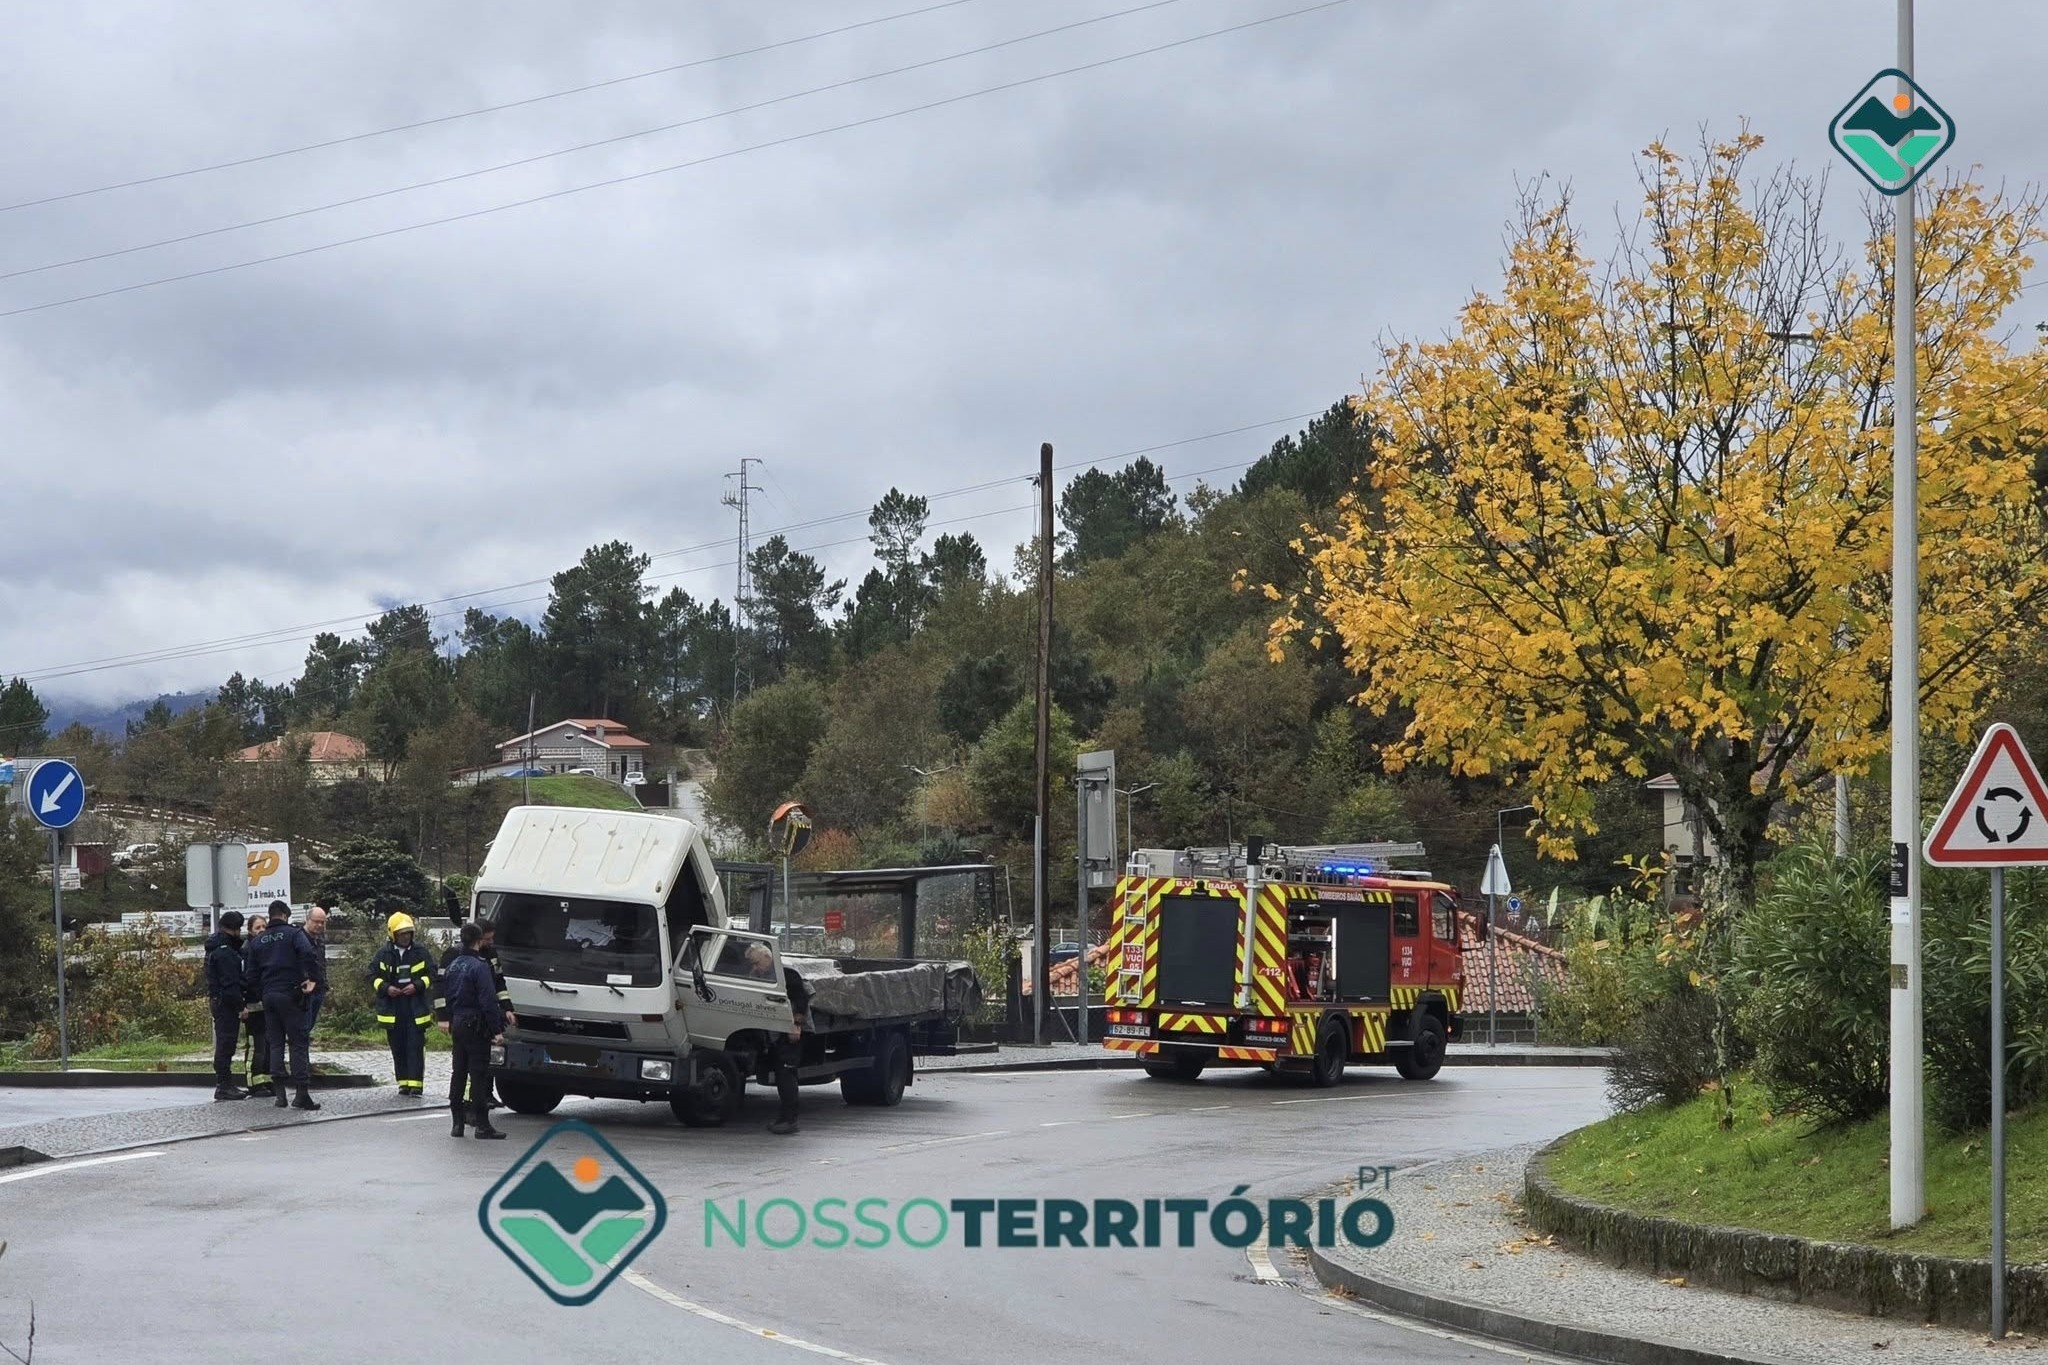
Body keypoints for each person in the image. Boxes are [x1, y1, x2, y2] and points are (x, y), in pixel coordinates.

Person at [246, 900, 323, 1111]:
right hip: (292, 994)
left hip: (269, 997)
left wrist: (263, 992)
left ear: (270, 916)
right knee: (298, 1043)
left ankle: (280, 1096)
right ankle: (301, 1094)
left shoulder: (258, 941)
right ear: (286, 915)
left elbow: (250, 975)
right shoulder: (294, 934)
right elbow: (308, 954)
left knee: (275, 1044)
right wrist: (314, 980)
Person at [435, 921, 514, 1116]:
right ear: (478, 939)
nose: (491, 942)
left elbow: (499, 982)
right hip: (473, 1019)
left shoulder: (485, 956)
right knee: (475, 1069)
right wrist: (443, 1016)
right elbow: (441, 986)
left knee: (464, 1069)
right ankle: (478, 1117)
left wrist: (507, 1008)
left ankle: (462, 1116)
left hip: (464, 1019)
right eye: (487, 939)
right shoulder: (466, 960)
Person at [744, 943, 812, 1136]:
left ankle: (790, 1120)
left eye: (757, 963)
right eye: (752, 964)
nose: (755, 967)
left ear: (768, 957)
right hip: (776, 1032)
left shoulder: (787, 974)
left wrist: (796, 1025)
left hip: (792, 1031)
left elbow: (801, 1000)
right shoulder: (760, 975)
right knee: (782, 1075)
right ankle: (784, 1118)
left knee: (786, 1074)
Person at [370, 912, 438, 1097]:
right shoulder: (383, 954)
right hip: (393, 1008)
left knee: (415, 1046)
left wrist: (417, 985)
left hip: (415, 1006)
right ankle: (403, 1083)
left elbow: (432, 974)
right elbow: (371, 976)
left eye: (408, 933)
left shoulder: (420, 952)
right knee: (398, 1047)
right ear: (393, 934)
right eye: (402, 934)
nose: (406, 937)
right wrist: (386, 988)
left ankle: (416, 1085)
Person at [203, 911, 249, 1101]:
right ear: (235, 929)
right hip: (226, 1004)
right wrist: (241, 1007)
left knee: (225, 1043)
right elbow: (230, 984)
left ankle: (225, 1084)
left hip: (219, 1001)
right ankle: (224, 1085)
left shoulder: (216, 947)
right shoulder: (225, 952)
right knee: (226, 1044)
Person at [240, 924, 272, 1098]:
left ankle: (266, 1081)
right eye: (257, 927)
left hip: (265, 1005)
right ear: (250, 930)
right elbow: (247, 979)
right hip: (253, 1007)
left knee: (266, 1046)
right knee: (255, 1047)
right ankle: (253, 1082)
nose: (261, 930)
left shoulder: (265, 949)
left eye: (264, 926)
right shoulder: (247, 951)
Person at [301, 907, 331, 1036]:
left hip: (319, 989)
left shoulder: (319, 939)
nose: (319, 925)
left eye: (322, 922)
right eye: (316, 921)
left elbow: (321, 963)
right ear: (307, 920)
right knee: (303, 1028)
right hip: (305, 992)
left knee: (310, 1025)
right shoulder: (299, 939)